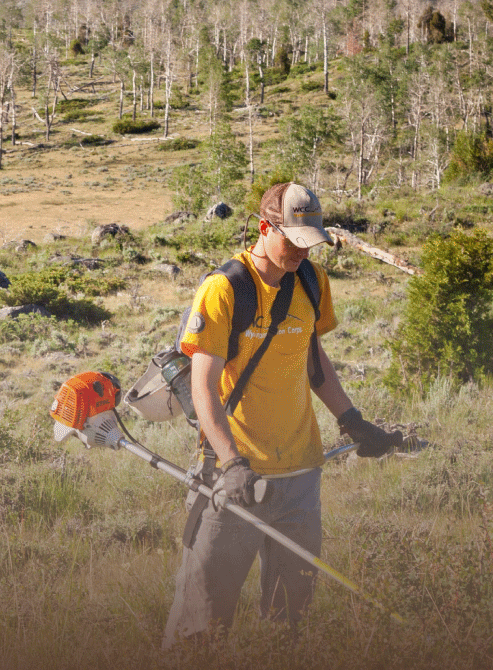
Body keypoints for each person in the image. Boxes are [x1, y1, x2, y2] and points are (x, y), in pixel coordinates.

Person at [163, 182, 404, 646]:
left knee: (291, 622)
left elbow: (313, 361)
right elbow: (203, 389)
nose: (300, 253)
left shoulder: (311, 282)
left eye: (309, 243)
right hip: (233, 481)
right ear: (264, 228)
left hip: (300, 477)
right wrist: (231, 463)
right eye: (293, 242)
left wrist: (351, 420)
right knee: (202, 624)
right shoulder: (224, 290)